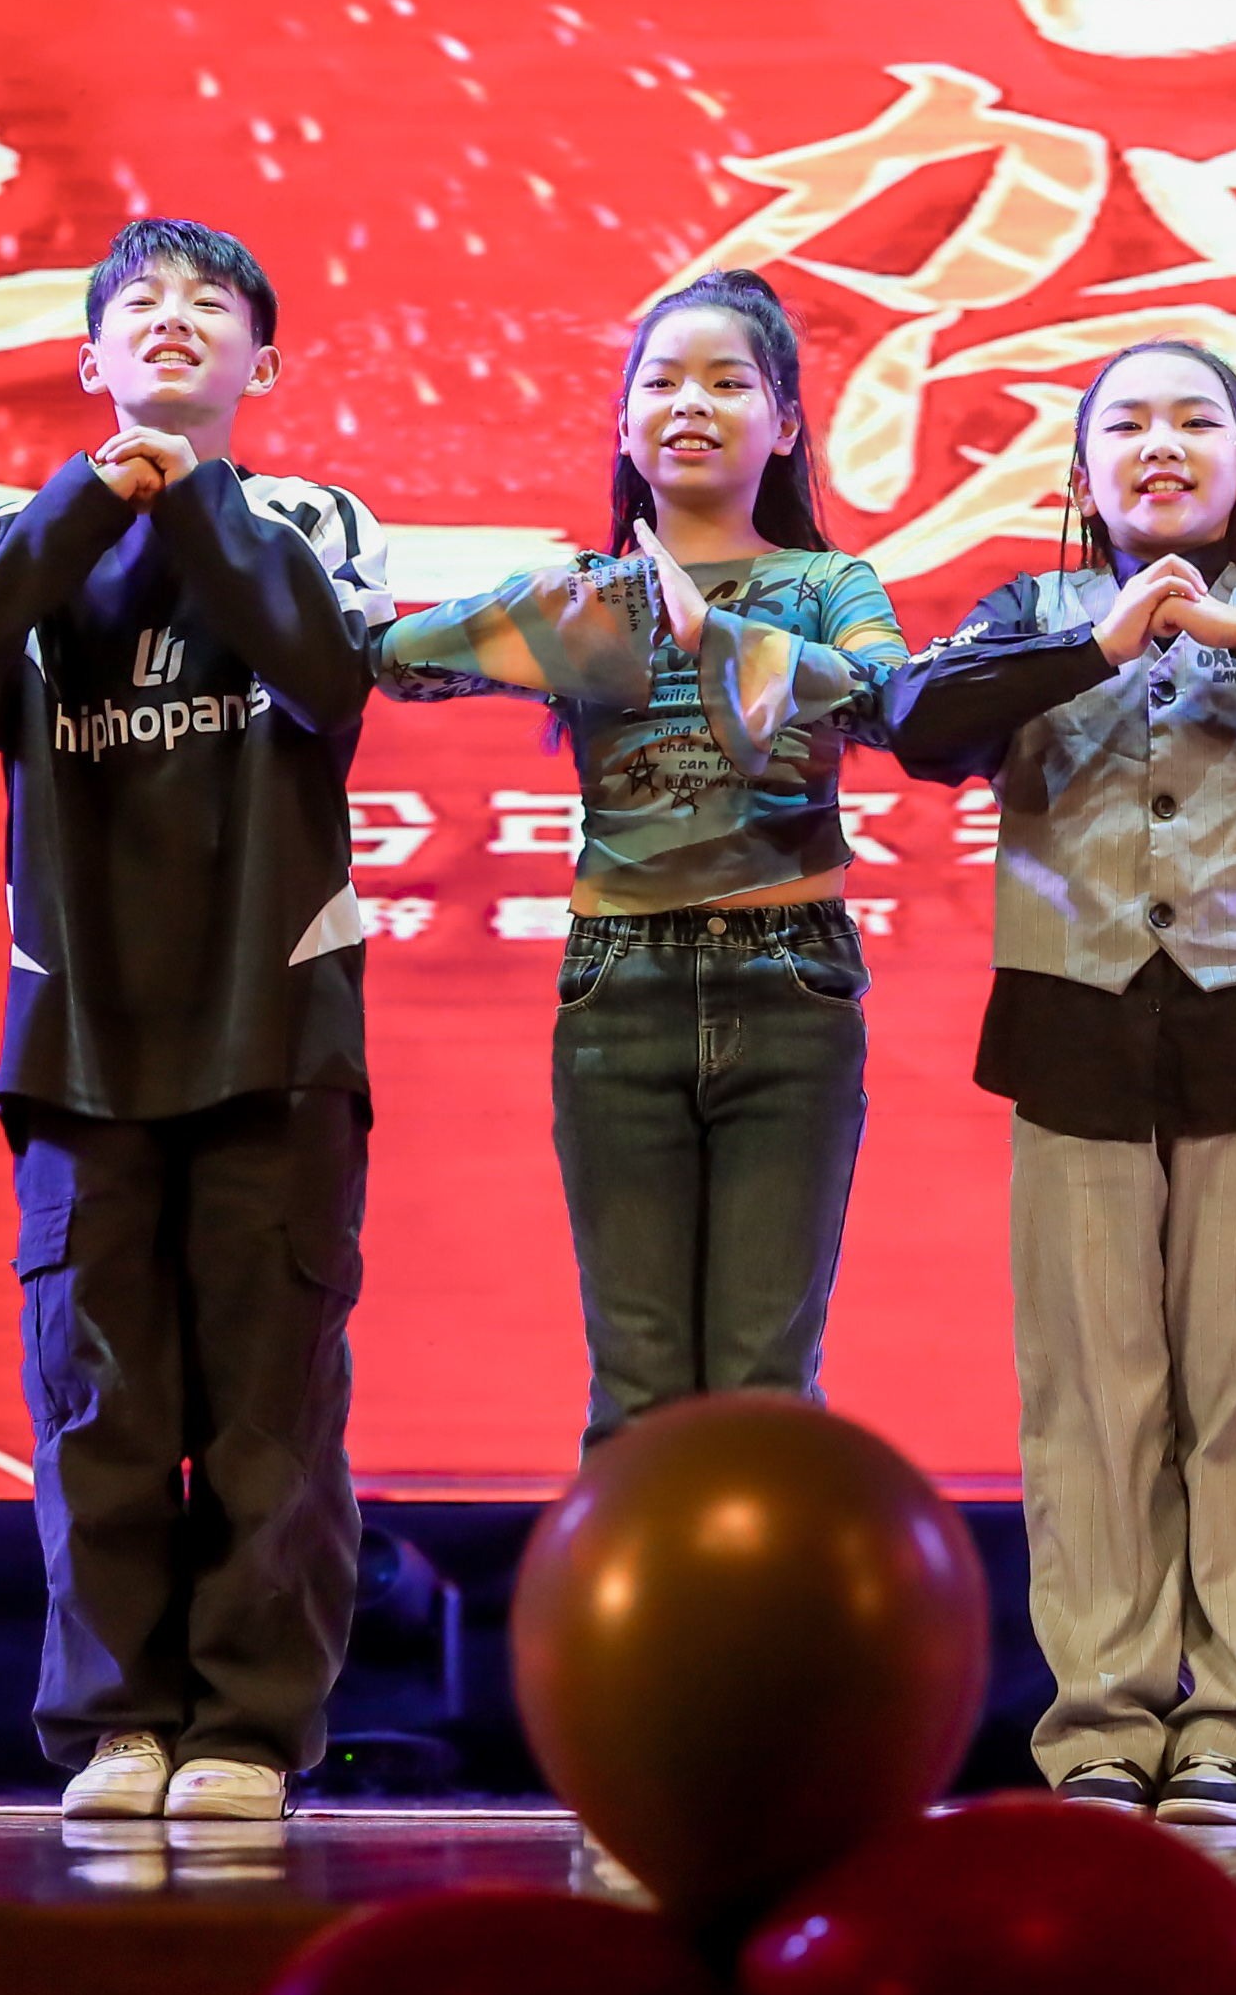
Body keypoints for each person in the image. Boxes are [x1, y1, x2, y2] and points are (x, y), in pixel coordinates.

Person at [884, 338, 1236, 1828]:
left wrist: (1234, 626)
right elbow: (919, 721)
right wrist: (1102, 643)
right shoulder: (1024, 615)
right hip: (1073, 1026)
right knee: (1090, 1395)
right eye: (1126, 423)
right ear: (1079, 474)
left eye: (1196, 421)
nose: (1160, 444)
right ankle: (1099, 1724)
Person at [0, 218, 388, 1824]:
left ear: (264, 362)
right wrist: (90, 498)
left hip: (277, 1024)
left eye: (211, 306)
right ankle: (117, 1724)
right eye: (141, 306)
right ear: (91, 356)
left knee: (268, 1404)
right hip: (81, 1038)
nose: (175, 322)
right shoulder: (27, 539)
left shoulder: (312, 517)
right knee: (96, 1403)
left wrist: (190, 495)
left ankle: (246, 1727)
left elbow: (324, 673)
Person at [373, 270, 906, 1451]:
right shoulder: (592, 597)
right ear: (624, 427)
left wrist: (718, 634)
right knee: (639, 1392)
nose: (691, 403)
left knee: (764, 1385)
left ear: (785, 426)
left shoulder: (827, 584)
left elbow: (893, 699)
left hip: (792, 986)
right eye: (661, 382)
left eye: (727, 382)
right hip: (619, 986)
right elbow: (398, 661)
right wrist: (528, 607)